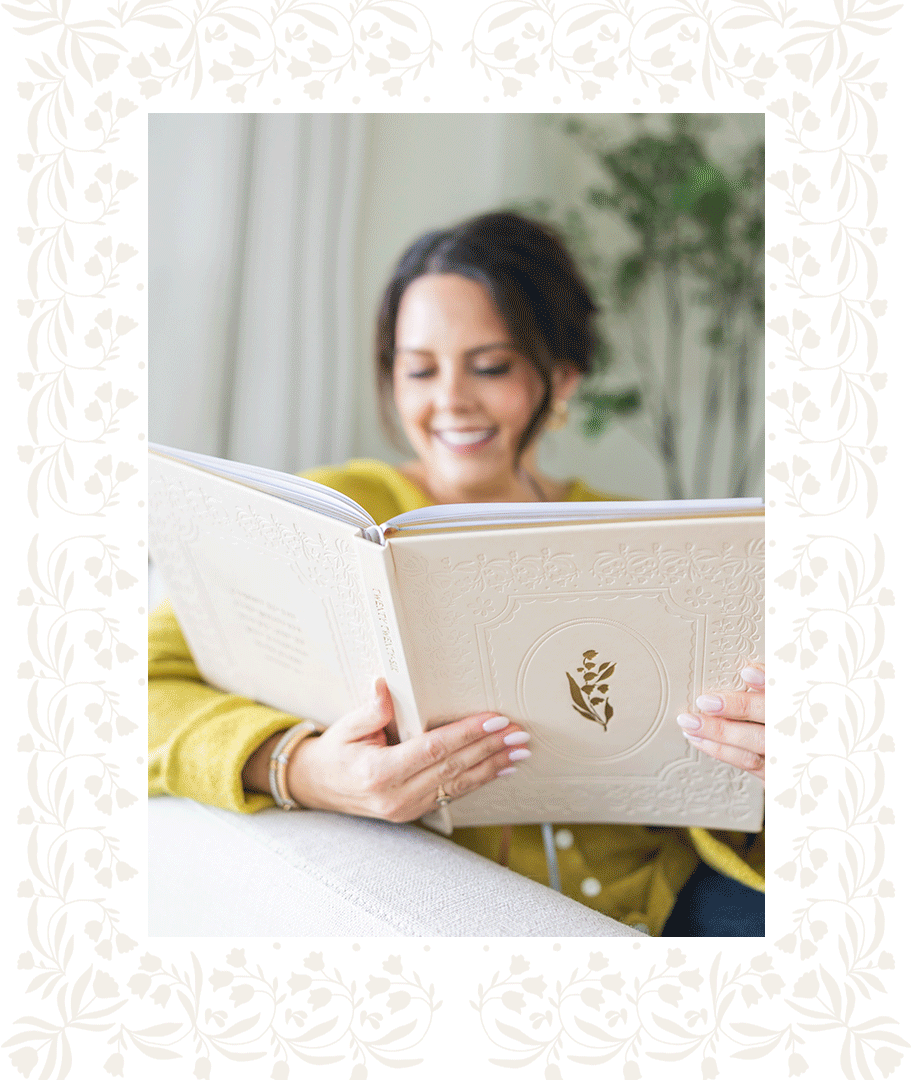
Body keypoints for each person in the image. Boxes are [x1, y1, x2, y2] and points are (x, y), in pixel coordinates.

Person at [149, 211, 765, 936]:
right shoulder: (335, 515)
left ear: (560, 375)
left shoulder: (653, 536)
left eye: (491, 365)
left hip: (668, 883)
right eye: (419, 369)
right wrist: (301, 768)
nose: (450, 400)